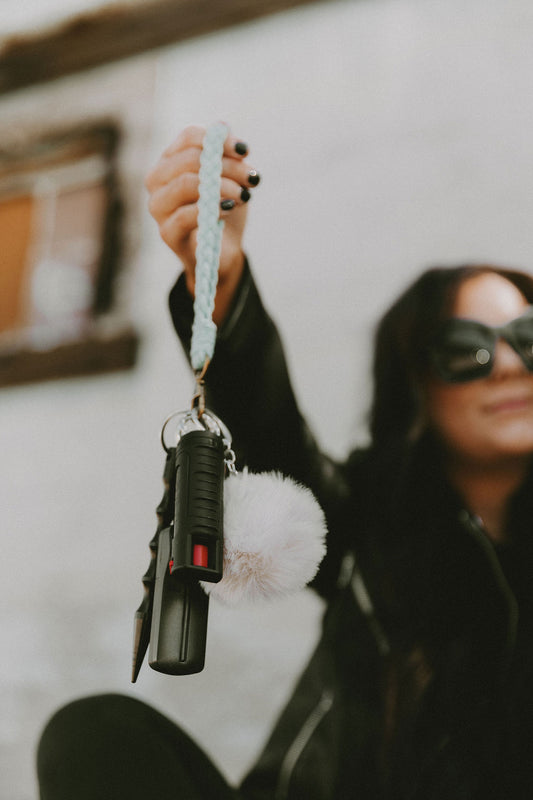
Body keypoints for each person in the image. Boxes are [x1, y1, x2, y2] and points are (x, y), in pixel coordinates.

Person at [37, 125, 533, 799]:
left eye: (525, 339)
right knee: (95, 734)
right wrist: (220, 273)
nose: (505, 365)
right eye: (464, 348)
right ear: (414, 385)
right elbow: (276, 445)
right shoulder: (372, 520)